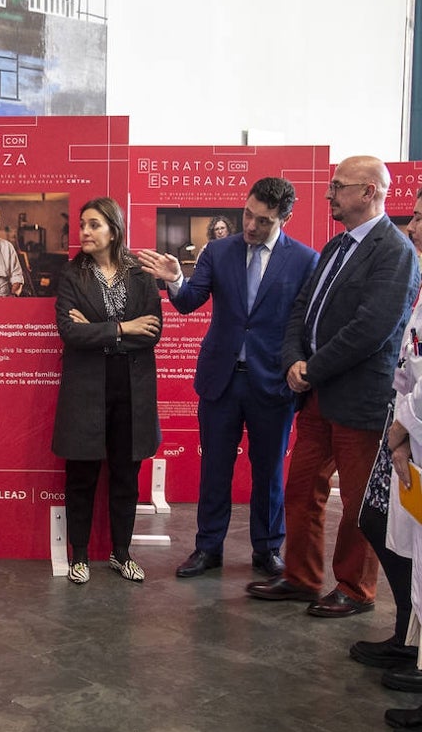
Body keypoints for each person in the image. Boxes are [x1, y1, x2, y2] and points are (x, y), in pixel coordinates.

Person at [248, 156, 420, 617]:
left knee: (358, 503)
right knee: (302, 487)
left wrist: (312, 367)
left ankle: (355, 588)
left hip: (361, 398)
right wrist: (293, 361)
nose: (328, 195)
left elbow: (372, 329)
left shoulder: (395, 252)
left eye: (338, 187)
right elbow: (302, 310)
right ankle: (301, 577)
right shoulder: (336, 246)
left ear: (370, 192)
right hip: (317, 394)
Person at [135, 179, 318, 578]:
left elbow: (304, 324)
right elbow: (188, 302)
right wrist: (175, 279)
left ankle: (267, 549)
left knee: (268, 471)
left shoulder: (305, 260)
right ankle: (208, 548)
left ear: (285, 218)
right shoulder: (219, 251)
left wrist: (299, 366)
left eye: (263, 221)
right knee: (214, 467)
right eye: (248, 214)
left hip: (273, 382)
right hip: (222, 380)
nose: (250, 225)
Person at [53, 197, 162, 584]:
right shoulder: (71, 274)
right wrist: (122, 328)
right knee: (81, 474)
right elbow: (69, 332)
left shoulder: (141, 275)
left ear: (113, 230)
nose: (84, 231)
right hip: (86, 390)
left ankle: (121, 553)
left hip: (131, 389)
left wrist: (97, 330)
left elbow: (152, 332)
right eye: (82, 224)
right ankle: (79, 556)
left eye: (94, 224)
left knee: (125, 476)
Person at [358, 192, 422, 699]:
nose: (413, 224)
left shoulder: (398, 257)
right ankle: (409, 635)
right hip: (401, 424)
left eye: (421, 216)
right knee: (381, 523)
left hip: (410, 429)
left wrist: (403, 428)